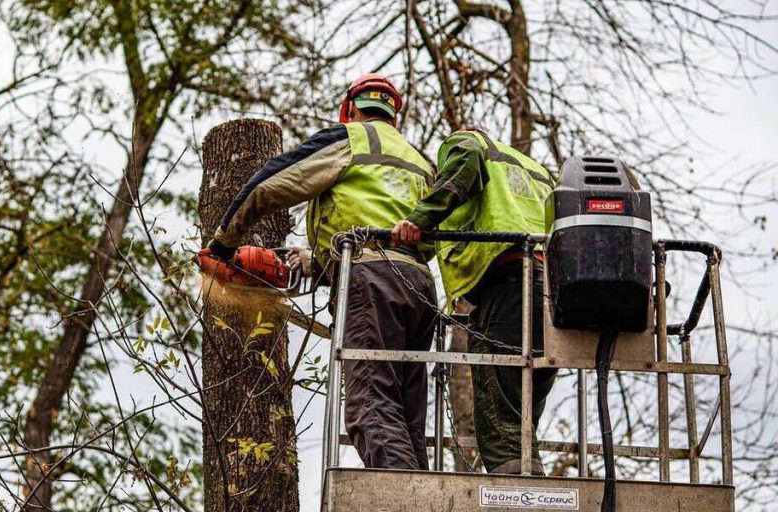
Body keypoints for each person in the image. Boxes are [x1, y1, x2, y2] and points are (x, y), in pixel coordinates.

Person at [206, 74, 438, 470]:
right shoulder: (420, 161)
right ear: (393, 116)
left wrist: (224, 241)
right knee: (406, 415)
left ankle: (401, 499)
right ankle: (421, 494)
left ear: (350, 109)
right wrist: (319, 263)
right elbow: (407, 233)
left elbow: (273, 180)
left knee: (371, 408)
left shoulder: (350, 139)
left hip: (371, 281)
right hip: (418, 286)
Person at [391, 128, 559, 475]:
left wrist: (418, 220)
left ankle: (519, 499)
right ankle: (532, 485)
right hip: (554, 301)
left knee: (502, 426)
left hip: (511, 286)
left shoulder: (467, 141)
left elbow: (464, 162)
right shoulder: (537, 171)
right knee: (521, 419)